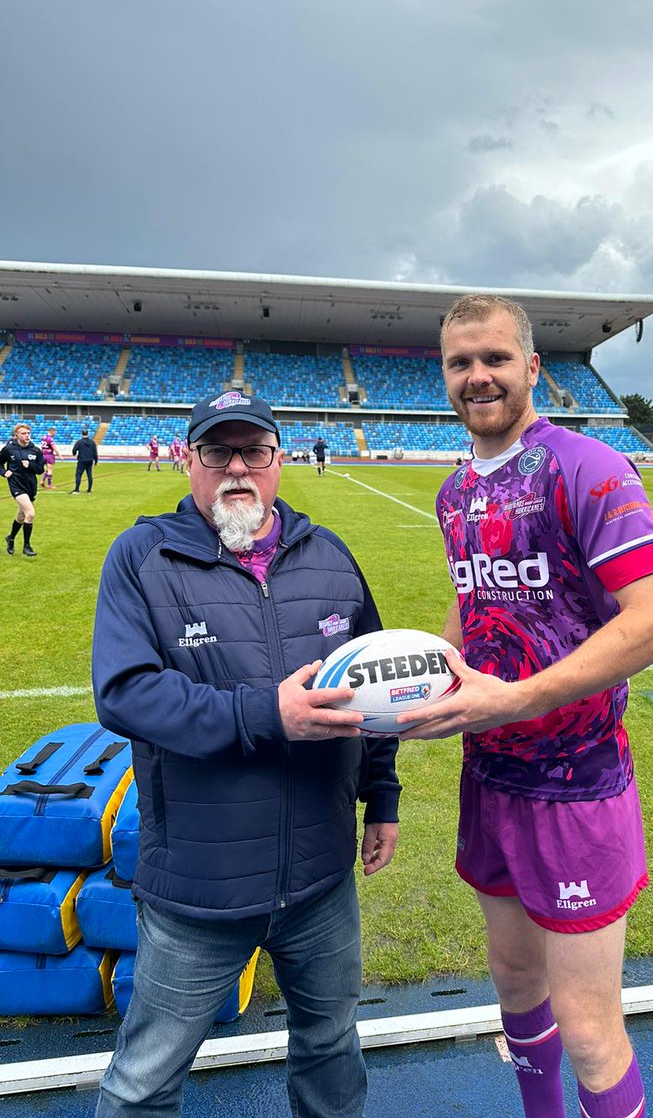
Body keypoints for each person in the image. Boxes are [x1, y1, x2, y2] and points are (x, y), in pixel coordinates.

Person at [401, 296, 653, 1118]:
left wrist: (516, 697)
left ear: (532, 368)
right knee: (516, 988)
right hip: (489, 776)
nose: (476, 376)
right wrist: (419, 676)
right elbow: (474, 607)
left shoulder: (589, 466)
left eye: (493, 358)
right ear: (445, 377)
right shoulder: (456, 490)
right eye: (459, 363)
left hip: (576, 785)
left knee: (589, 1028)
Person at [91, 390, 400, 1118]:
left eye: (253, 451)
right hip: (200, 888)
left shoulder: (330, 556)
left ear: (278, 462)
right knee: (144, 1080)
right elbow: (127, 694)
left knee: (330, 1050)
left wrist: (380, 797)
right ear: (188, 459)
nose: (237, 467)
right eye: (217, 451)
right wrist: (268, 713)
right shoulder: (142, 556)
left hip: (322, 880)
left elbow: (373, 686)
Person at [2, 422, 45, 557]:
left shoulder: (36, 450)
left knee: (21, 516)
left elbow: (40, 470)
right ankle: (27, 546)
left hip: (30, 486)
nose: (27, 436)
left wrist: (30, 465)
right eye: (23, 433)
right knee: (30, 513)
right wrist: (4, 472)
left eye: (28, 433)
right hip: (16, 485)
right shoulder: (9, 449)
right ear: (16, 435)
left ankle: (11, 538)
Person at [70, 427, 99, 493]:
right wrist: (96, 460)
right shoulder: (92, 442)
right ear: (87, 433)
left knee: (78, 474)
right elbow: (95, 452)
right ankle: (89, 490)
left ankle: (77, 489)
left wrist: (74, 453)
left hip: (82, 460)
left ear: (82, 434)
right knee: (89, 475)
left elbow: (74, 450)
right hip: (90, 460)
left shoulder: (79, 442)